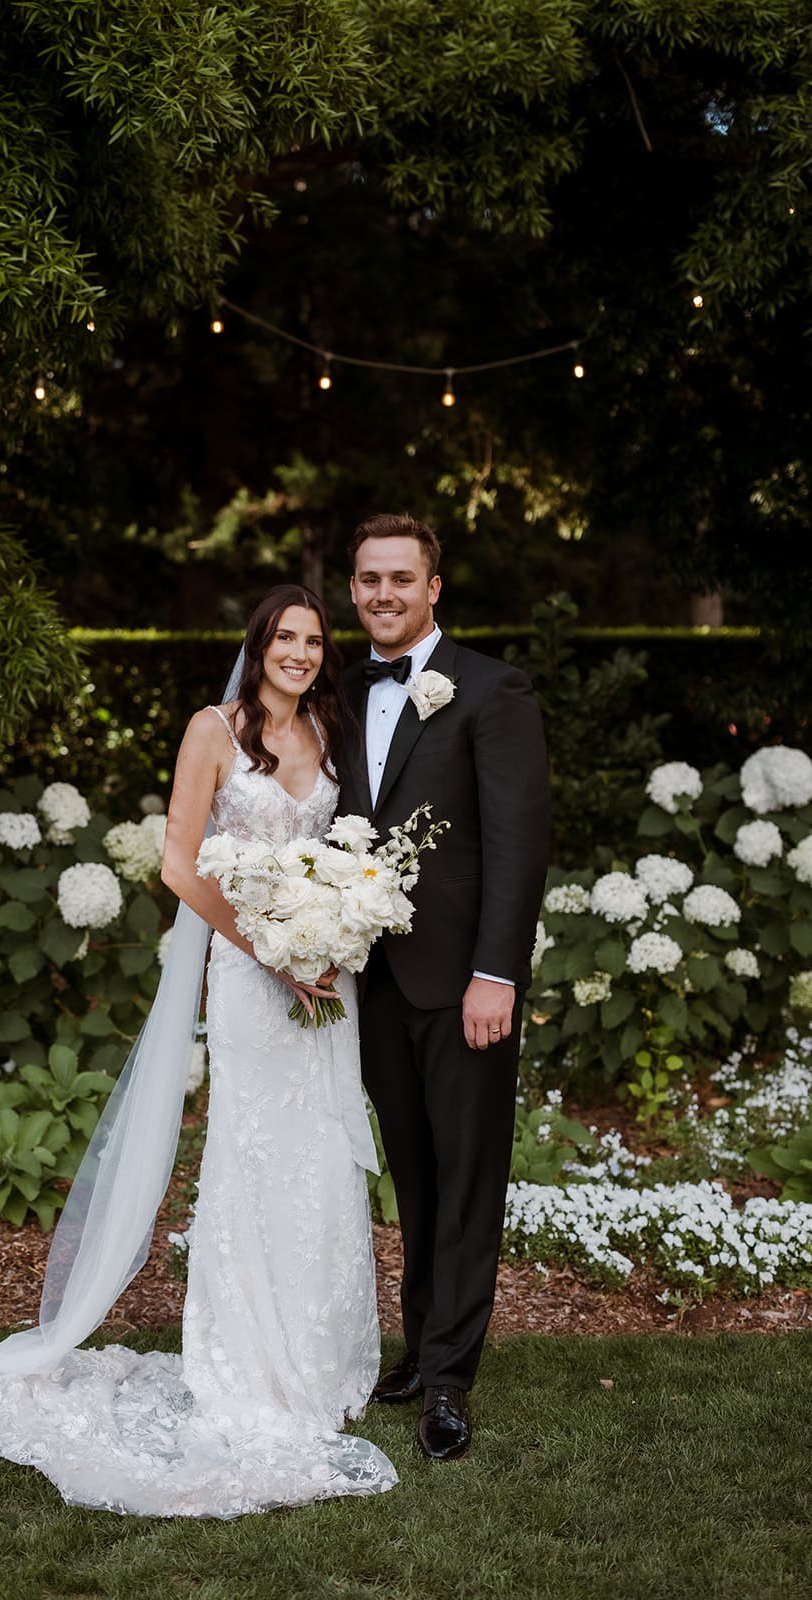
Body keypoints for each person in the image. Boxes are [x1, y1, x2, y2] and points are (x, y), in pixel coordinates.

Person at [0, 583, 396, 1519]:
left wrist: (328, 937)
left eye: (315, 640)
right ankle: (245, 1363)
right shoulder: (215, 728)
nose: (301, 653)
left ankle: (321, 1363)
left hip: (328, 977)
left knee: (322, 1155)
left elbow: (343, 852)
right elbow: (178, 863)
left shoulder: (332, 729)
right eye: (286, 638)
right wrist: (273, 955)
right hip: (253, 979)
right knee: (252, 1158)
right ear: (258, 643)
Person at [336, 512, 550, 1463]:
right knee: (413, 1176)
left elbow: (517, 842)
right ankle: (418, 1350)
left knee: (466, 1178)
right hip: (371, 981)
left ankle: (450, 1382)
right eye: (368, 579)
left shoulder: (491, 690)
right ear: (353, 590)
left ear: (432, 589)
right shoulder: (338, 692)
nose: (383, 593)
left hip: (464, 982)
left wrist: (494, 973)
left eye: (400, 578)